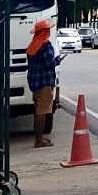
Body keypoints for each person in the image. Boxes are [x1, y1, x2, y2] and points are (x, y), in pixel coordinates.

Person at [26, 19, 61, 147]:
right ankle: (39, 140)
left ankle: (39, 138)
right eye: (47, 31)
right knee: (42, 111)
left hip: (34, 83)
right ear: (44, 32)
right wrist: (57, 60)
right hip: (44, 83)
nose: (49, 32)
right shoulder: (45, 45)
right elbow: (49, 63)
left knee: (37, 110)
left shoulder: (32, 45)